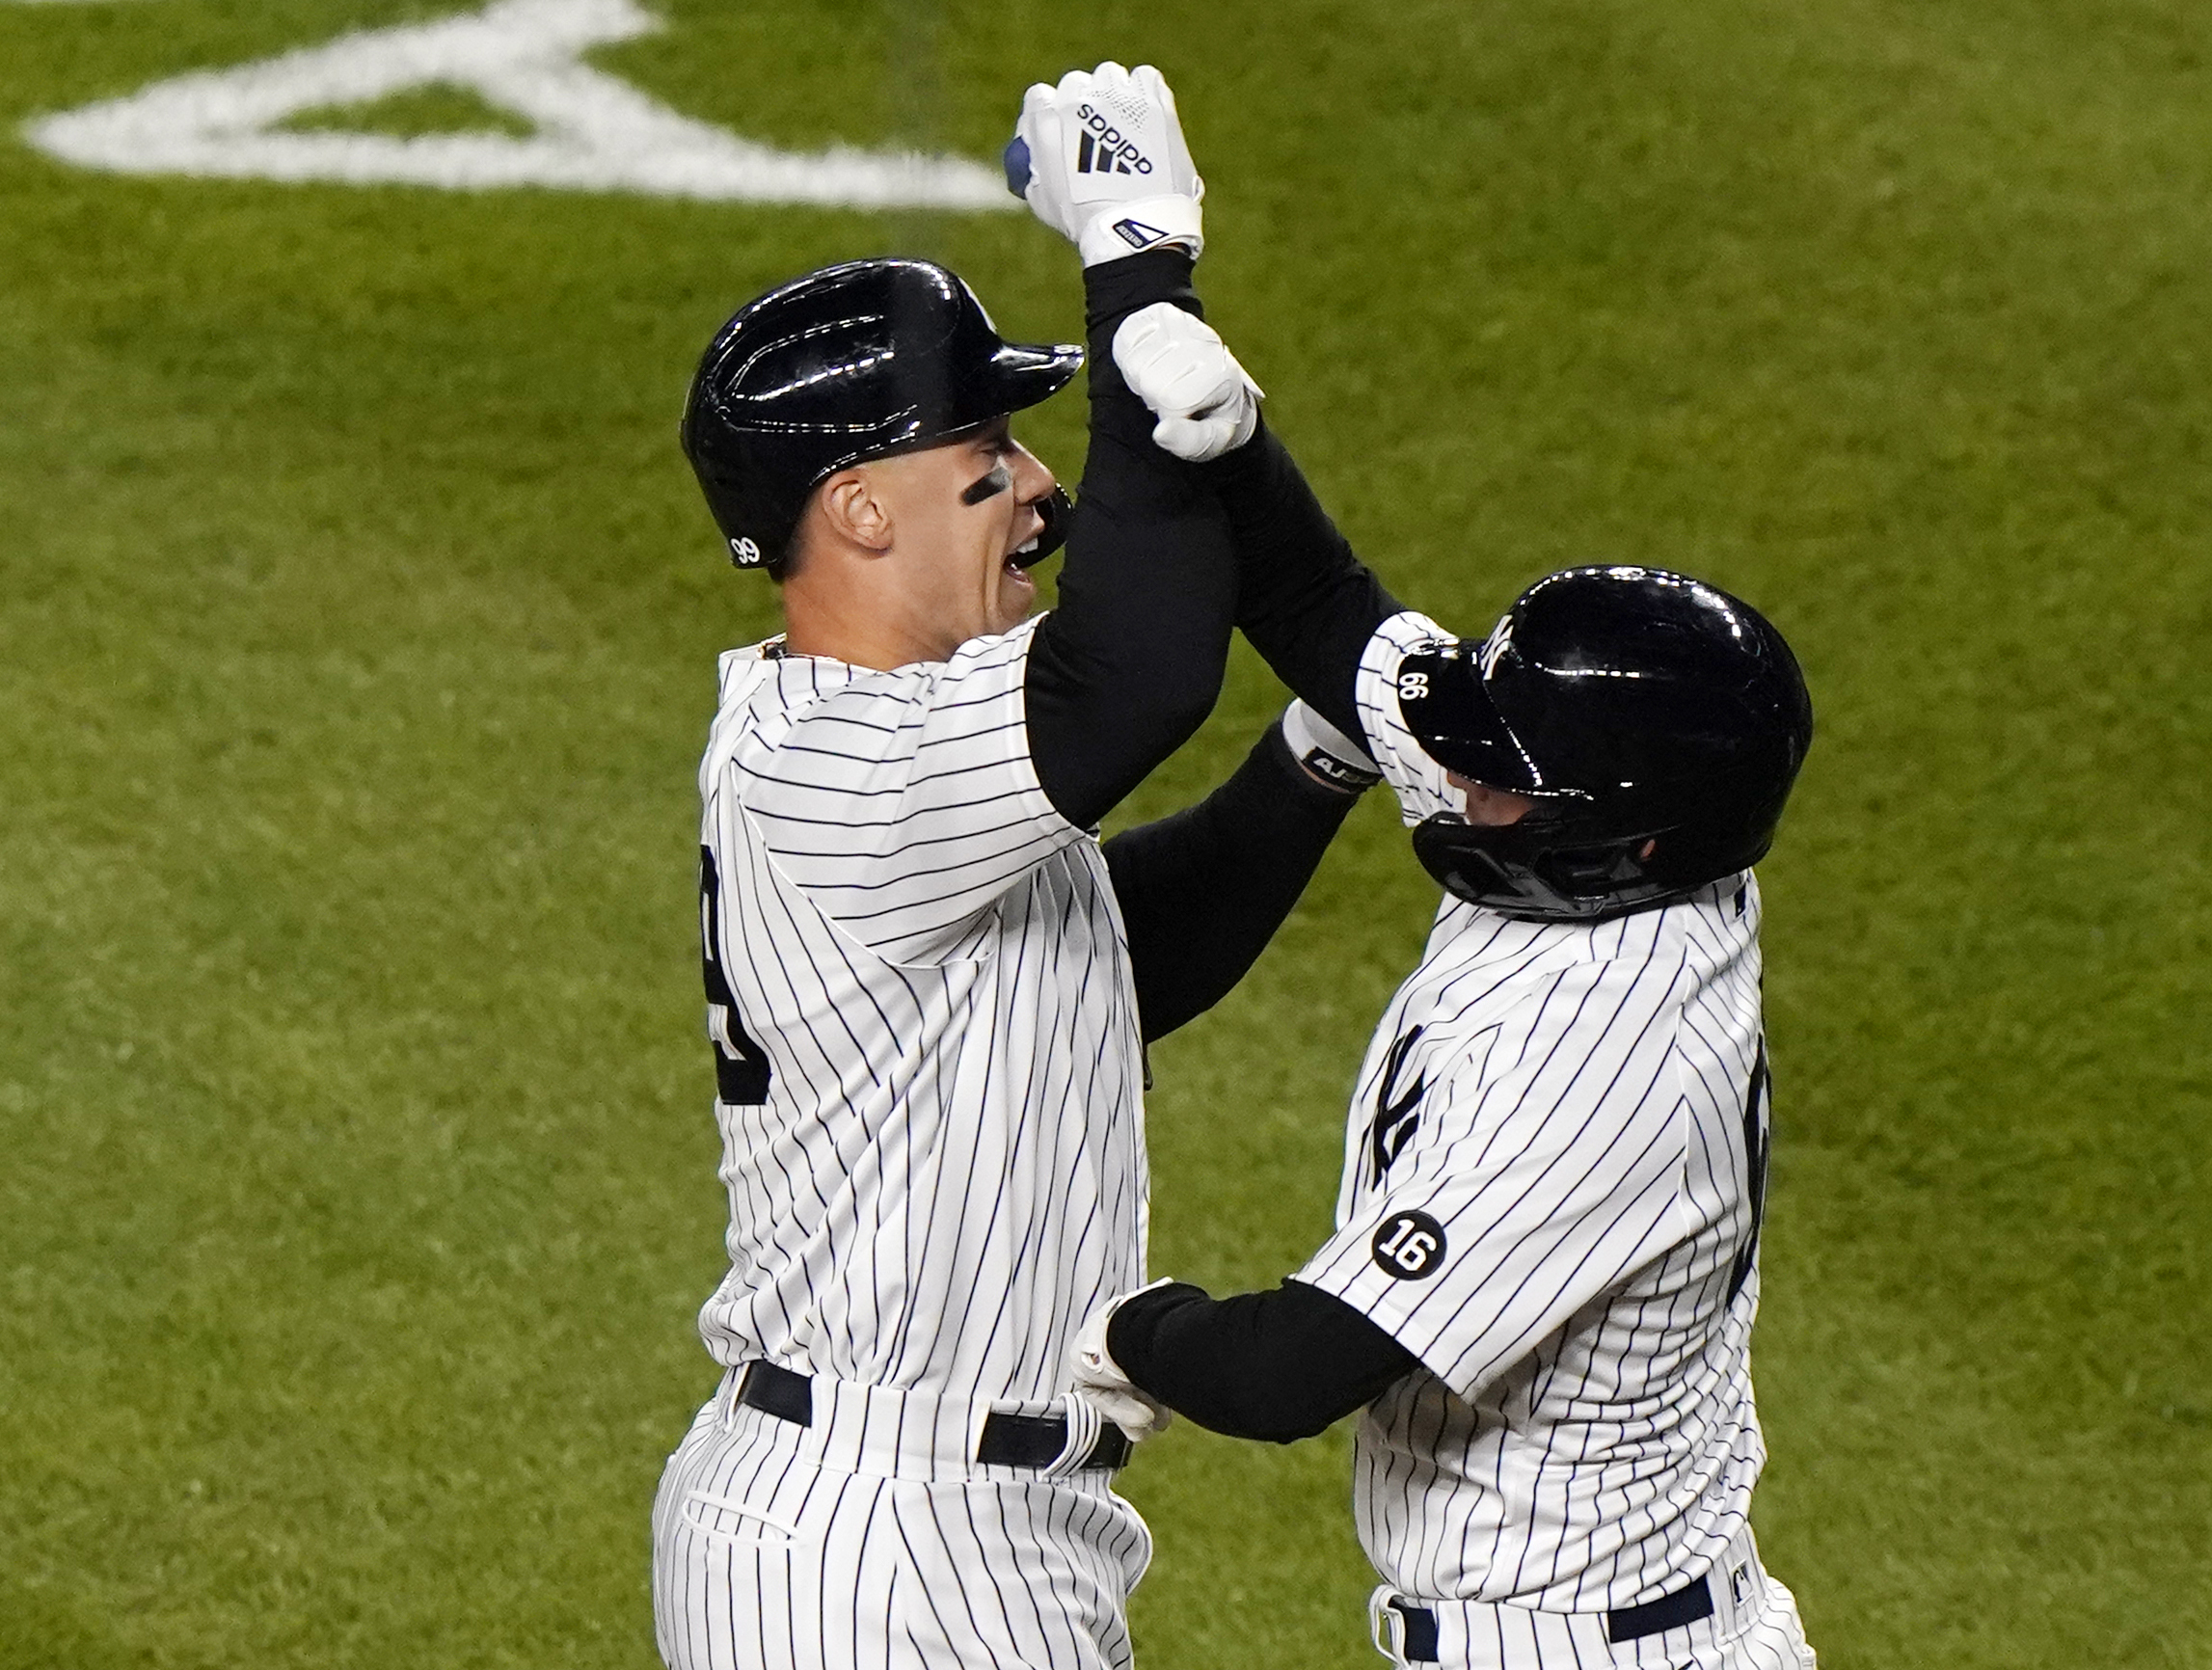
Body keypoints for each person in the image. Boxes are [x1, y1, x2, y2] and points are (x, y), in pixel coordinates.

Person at [649, 65, 1380, 1670]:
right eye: (987, 447)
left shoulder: (898, 746)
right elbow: (1137, 676)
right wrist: (1137, 261)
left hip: (946, 1535)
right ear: (855, 509)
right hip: (878, 1551)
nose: (1042, 488)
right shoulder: (831, 764)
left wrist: (1321, 757)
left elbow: (1106, 959)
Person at [1058, 318, 1823, 1668]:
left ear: (1625, 833)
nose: (1461, 776)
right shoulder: (1604, 843)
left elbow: (1293, 1369)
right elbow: (1330, 615)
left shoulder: (1613, 1063)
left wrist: (1131, 1328)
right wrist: (1229, 437)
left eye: (1499, 775)